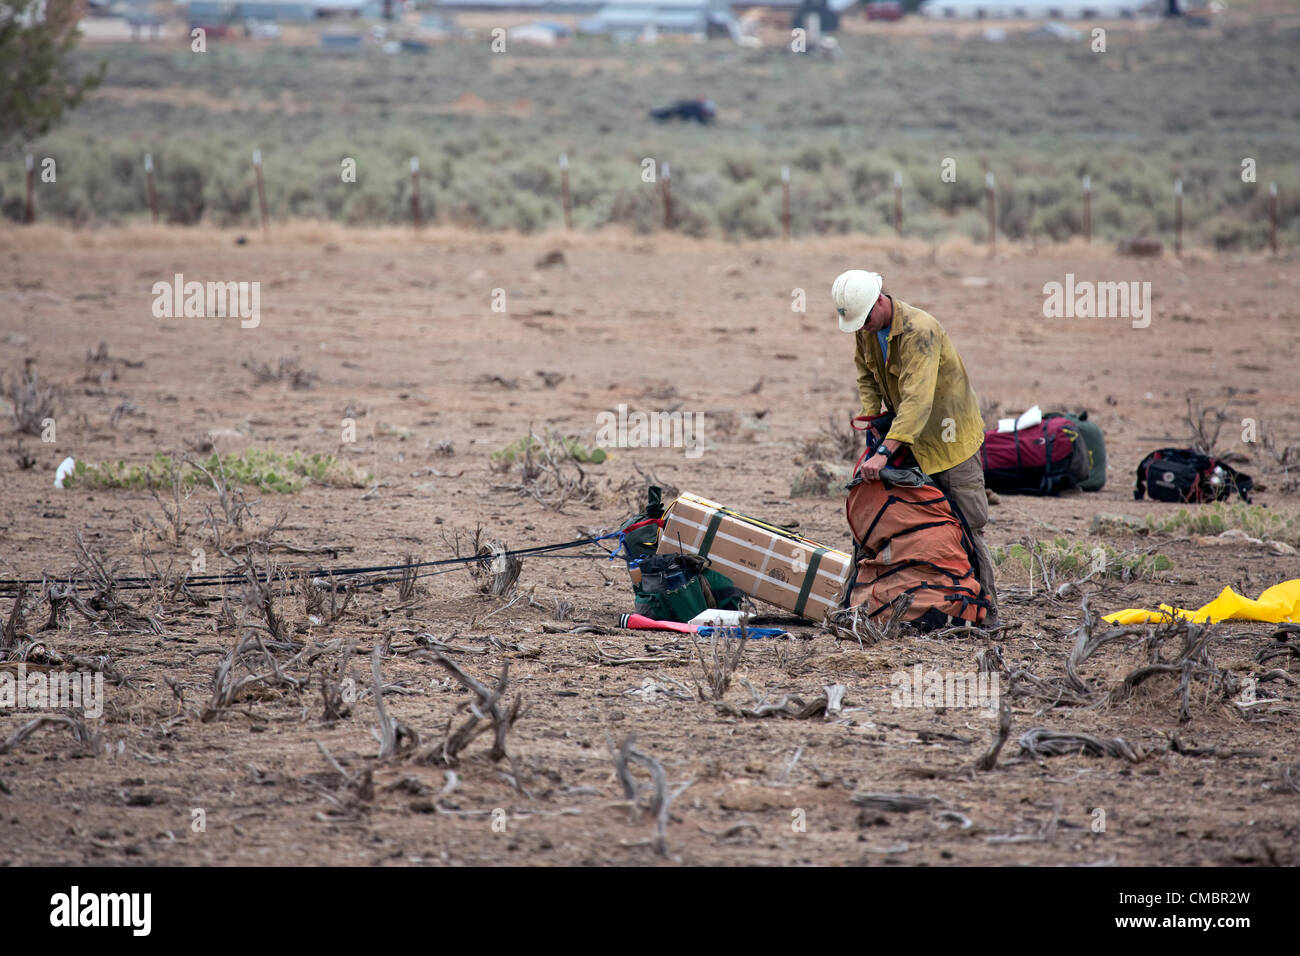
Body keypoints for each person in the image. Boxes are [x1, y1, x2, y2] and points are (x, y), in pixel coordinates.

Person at [831, 269, 999, 627]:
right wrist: (872, 416)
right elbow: (866, 375)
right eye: (857, 323)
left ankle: (988, 613)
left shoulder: (920, 331)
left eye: (865, 319)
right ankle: (852, 607)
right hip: (905, 439)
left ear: (880, 299)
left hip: (949, 442)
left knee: (969, 525)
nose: (862, 328)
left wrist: (884, 451)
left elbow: (917, 402)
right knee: (879, 521)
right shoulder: (867, 328)